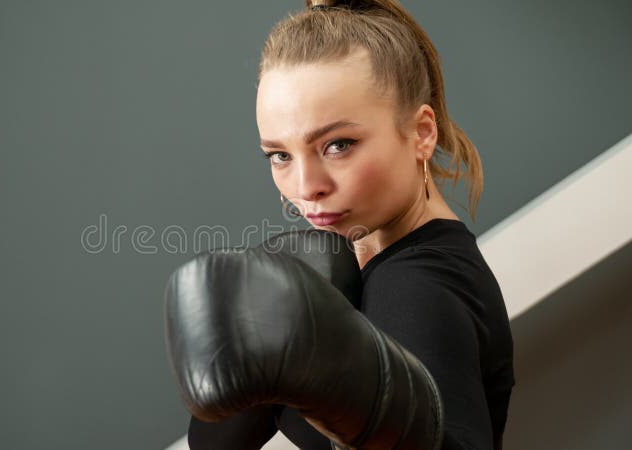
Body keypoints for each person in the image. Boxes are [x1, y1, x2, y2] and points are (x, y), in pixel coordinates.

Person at [166, 1, 515, 449]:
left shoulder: (412, 285)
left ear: (422, 133)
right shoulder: (353, 268)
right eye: (280, 155)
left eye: (338, 145)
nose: (306, 186)